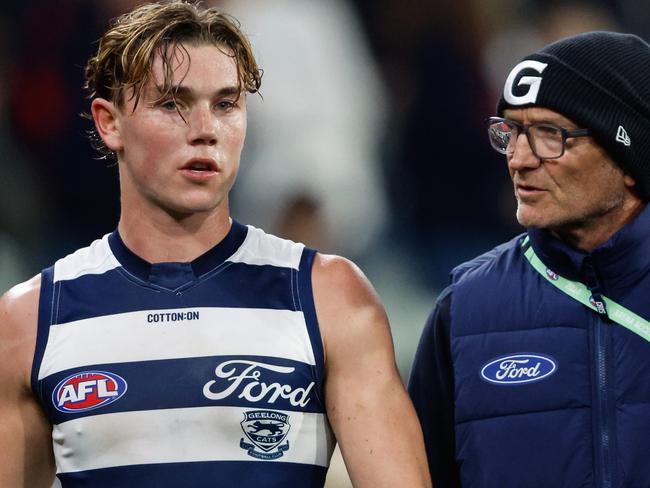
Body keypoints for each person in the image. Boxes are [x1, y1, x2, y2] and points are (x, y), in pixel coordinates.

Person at [0, 2, 431, 487]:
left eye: (225, 104)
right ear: (109, 122)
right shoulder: (30, 320)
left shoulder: (329, 297)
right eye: (172, 104)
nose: (205, 130)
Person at [408, 31, 650, 487]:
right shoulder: (464, 310)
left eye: (549, 135)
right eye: (511, 133)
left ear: (629, 155)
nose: (518, 159)